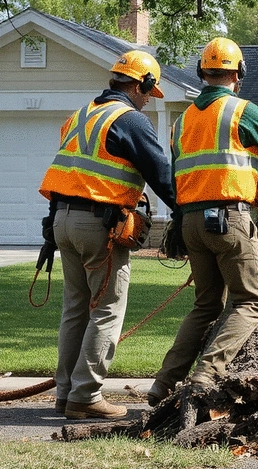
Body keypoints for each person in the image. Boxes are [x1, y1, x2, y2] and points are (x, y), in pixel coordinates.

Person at [147, 37, 258, 405]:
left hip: (190, 223)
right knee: (253, 301)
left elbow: (183, 174)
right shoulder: (240, 110)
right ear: (239, 73)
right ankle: (207, 373)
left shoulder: (182, 121)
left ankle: (164, 382)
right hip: (229, 220)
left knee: (206, 305)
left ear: (202, 72)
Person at [39, 50, 175, 420]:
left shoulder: (80, 116)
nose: (149, 99)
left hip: (63, 221)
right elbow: (162, 174)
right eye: (150, 91)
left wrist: (52, 227)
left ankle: (66, 394)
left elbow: (69, 173)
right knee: (107, 309)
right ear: (140, 83)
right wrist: (187, 210)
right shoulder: (130, 120)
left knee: (75, 310)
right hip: (98, 225)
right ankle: (86, 395)